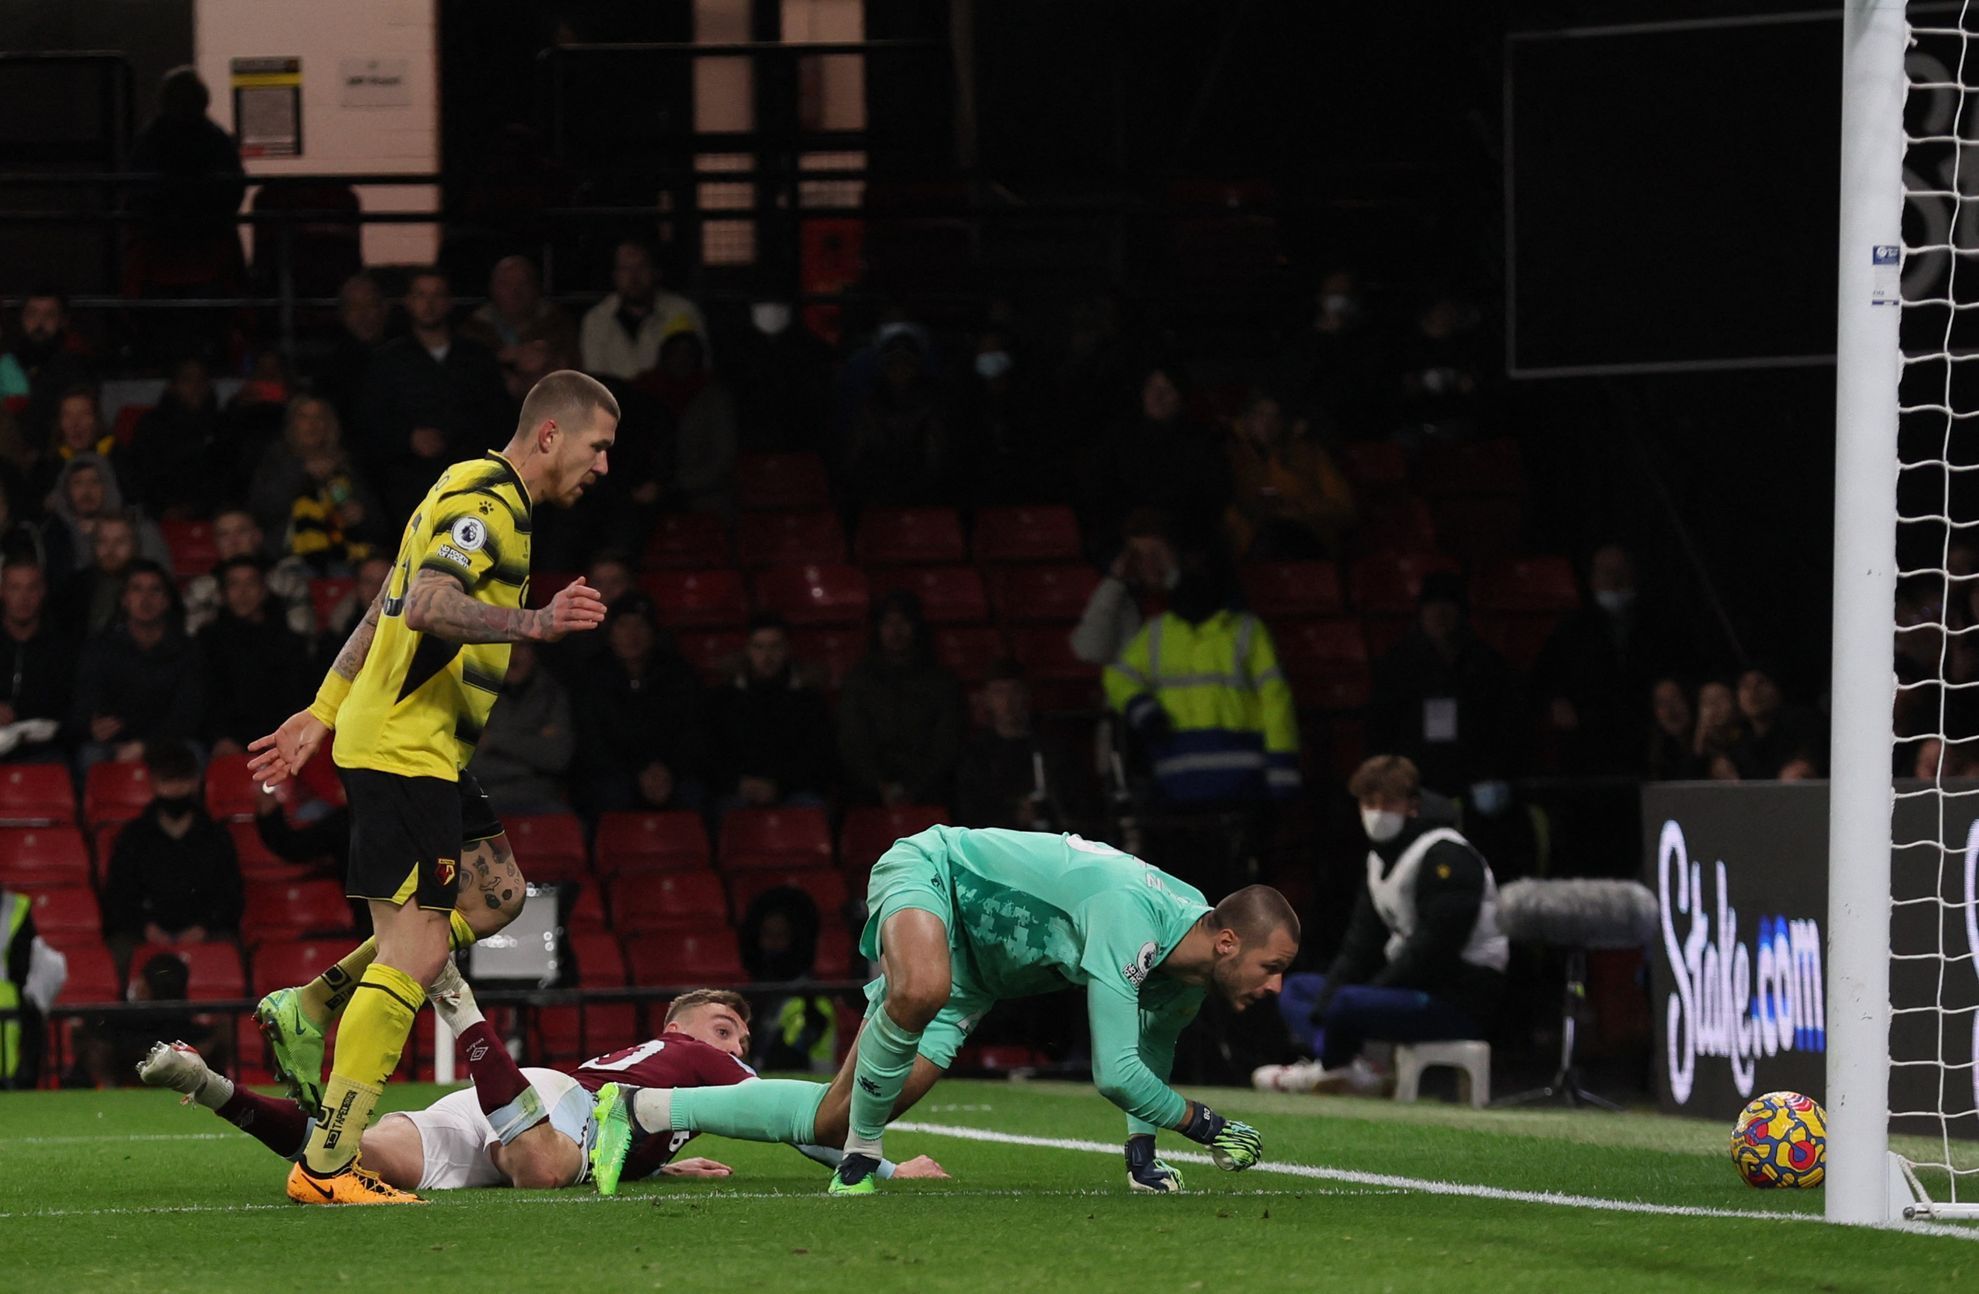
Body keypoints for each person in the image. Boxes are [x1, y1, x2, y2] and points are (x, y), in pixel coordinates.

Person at [244, 368, 617, 1205]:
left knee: (497, 899)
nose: (602, 467)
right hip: (406, 753)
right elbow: (428, 606)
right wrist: (537, 622)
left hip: (424, 750)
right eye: (597, 447)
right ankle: (330, 1164)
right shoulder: (492, 509)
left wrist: (323, 708)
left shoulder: (462, 485)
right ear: (551, 435)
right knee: (417, 949)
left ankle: (310, 1004)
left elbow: (387, 598)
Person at [591, 827, 1291, 1196]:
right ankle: (862, 1160)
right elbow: (1112, 1072)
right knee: (918, 989)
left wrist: (1143, 1155)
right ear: (1228, 941)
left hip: (978, 975)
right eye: (1272, 967)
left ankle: (644, 1110)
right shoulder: (1132, 918)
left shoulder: (1190, 963)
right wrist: (1208, 1124)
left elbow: (1147, 1056)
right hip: (936, 876)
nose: (1276, 987)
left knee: (835, 1116)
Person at [140, 973, 946, 1191]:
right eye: (720, 1025)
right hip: (547, 1109)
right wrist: (878, 1161)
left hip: (513, 1099)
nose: (735, 1041)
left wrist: (662, 1158)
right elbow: (807, 1119)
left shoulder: (657, 1064)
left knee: (347, 1158)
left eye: (736, 1029)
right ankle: (460, 1006)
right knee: (549, 1171)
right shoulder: (702, 1056)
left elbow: (633, 1115)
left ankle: (211, 1085)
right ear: (684, 1027)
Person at [1254, 755, 1506, 1095]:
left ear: (1412, 806)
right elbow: (1359, 947)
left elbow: (1434, 949)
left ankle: (1327, 1068)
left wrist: (1373, 991)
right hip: (1406, 986)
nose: (1377, 812)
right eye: (1369, 803)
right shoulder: (1379, 861)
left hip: (1457, 996)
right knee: (1297, 989)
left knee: (1348, 1003)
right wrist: (1329, 1001)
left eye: (1388, 803)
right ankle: (1343, 1067)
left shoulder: (1447, 856)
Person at [1102, 548, 1301, 806]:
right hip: (1176, 782)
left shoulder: (1247, 631)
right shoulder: (1156, 633)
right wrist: (1142, 708)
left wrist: (1281, 771)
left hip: (1242, 785)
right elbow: (1117, 676)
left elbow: (1276, 703)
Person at [356, 267, 512, 522]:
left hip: (470, 486)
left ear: (449, 302)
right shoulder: (387, 361)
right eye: (421, 295)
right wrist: (409, 439)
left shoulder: (477, 358)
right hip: (408, 491)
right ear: (408, 302)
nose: (428, 304)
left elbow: (498, 419)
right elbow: (370, 423)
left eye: (437, 295)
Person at [1366, 570, 1523, 799]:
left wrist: (1495, 774)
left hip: (1476, 784)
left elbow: (1507, 725)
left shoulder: (1488, 664)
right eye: (1431, 606)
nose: (1439, 613)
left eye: (1448, 605)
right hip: (1417, 785)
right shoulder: (1397, 666)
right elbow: (1379, 728)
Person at [99, 742, 243, 975]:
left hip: (207, 932)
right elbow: (118, 896)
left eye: (182, 781)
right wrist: (147, 928)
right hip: (143, 934)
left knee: (228, 952)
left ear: (195, 782)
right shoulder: (134, 836)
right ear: (154, 784)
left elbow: (230, 895)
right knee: (119, 951)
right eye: (168, 782)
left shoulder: (215, 836)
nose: (176, 790)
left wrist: (203, 928)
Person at [574, 592, 708, 814]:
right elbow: (592, 740)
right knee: (610, 794)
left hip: (671, 771)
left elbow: (693, 731)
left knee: (695, 795)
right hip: (615, 774)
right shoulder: (593, 676)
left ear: (653, 632)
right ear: (611, 632)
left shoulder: (678, 674)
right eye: (623, 626)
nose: (632, 635)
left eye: (640, 626)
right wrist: (637, 771)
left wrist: (667, 769)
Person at [70, 560, 206, 773]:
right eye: (136, 589)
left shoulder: (186, 650)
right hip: (115, 742)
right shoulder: (102, 648)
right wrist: (92, 727)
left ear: (166, 601)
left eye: (155, 590)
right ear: (124, 599)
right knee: (90, 755)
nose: (145, 599)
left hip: (167, 741)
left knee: (193, 753)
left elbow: (186, 715)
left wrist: (146, 746)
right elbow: (85, 703)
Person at [837, 591, 964, 807]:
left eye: (903, 622)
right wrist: (879, 784)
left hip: (930, 788)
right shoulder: (858, 680)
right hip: (869, 789)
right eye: (888, 623)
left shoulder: (942, 681)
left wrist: (916, 787)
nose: (896, 631)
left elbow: (947, 742)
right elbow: (853, 740)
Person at [706, 613, 834, 814]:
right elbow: (712, 751)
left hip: (794, 791)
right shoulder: (724, 698)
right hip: (738, 792)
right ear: (748, 650)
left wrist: (779, 786)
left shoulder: (808, 699)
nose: (767, 656)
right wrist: (740, 783)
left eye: (775, 647)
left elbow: (818, 755)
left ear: (787, 649)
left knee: (812, 808)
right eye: (759, 647)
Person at [1222, 389, 1356, 560]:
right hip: (1250, 550)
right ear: (1246, 418)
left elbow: (1344, 508)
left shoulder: (1308, 453)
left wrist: (1300, 510)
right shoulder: (1230, 453)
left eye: (1275, 416)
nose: (1267, 423)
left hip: (1308, 542)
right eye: (1260, 414)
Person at [198, 556, 313, 755]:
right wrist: (220, 738)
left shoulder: (287, 642)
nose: (242, 593)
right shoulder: (207, 641)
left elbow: (295, 697)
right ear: (223, 593)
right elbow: (204, 698)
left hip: (279, 739)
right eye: (234, 584)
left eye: (250, 583)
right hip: (223, 742)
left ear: (264, 590)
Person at [951, 660, 1080, 831]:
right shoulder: (975, 753)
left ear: (1027, 695)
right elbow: (969, 811)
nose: (1008, 701)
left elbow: (1075, 801)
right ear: (987, 698)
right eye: (999, 692)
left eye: (1015, 691)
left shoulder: (1052, 747)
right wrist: (1014, 815)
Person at [470, 641, 577, 817]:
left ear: (534, 651)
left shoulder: (553, 695)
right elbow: (469, 764)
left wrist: (493, 740)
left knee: (570, 830)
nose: (513, 655)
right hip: (485, 798)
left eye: (521, 646)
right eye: (505, 646)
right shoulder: (474, 694)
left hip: (540, 800)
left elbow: (558, 757)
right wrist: (533, 751)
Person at [579, 240, 707, 379]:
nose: (633, 277)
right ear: (615, 275)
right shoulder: (597, 320)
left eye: (641, 267)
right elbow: (593, 379)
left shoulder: (682, 312)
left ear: (655, 271)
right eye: (625, 268)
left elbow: (700, 373)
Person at [182, 508, 314, 638]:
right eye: (224, 534)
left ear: (257, 536)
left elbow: (302, 637)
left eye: (241, 531)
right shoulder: (201, 590)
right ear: (215, 542)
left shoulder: (288, 584)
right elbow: (192, 639)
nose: (233, 542)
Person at [1069, 509, 1177, 668]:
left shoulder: (1190, 598)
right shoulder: (1124, 601)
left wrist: (1175, 577)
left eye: (1155, 554)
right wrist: (1114, 582)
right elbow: (1089, 651)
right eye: (1139, 556)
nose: (1149, 564)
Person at [461, 255, 577, 400]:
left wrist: (545, 364)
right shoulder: (474, 329)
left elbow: (574, 373)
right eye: (505, 284)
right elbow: (465, 379)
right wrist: (499, 362)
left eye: (523, 283)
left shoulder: (557, 324)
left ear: (536, 287)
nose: (515, 291)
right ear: (492, 288)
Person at [126, 357, 224, 519]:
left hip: (211, 515)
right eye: (187, 380)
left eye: (201, 379)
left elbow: (223, 477)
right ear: (172, 386)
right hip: (160, 513)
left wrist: (196, 508)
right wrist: (164, 508)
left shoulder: (221, 425)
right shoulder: (152, 425)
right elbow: (142, 474)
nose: (195, 386)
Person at [0, 558, 72, 762]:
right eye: (15, 588)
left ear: (43, 592)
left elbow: (69, 707)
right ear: (2, 591)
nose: (24, 598)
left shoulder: (60, 645)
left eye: (32, 588)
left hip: (44, 747)